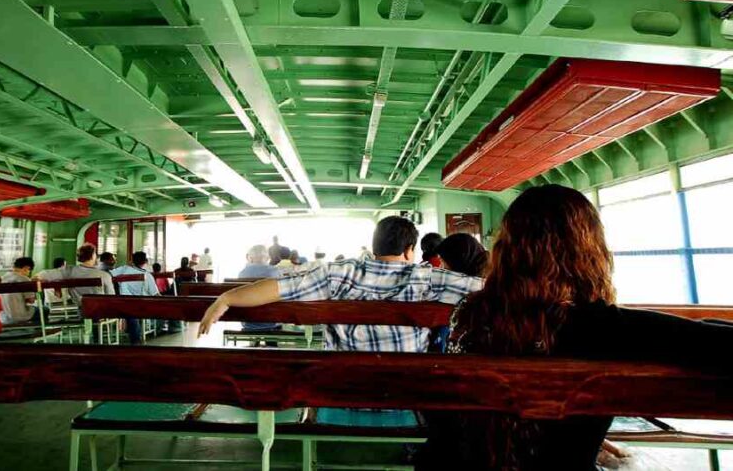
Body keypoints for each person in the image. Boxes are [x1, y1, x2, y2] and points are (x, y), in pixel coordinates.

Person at [416, 184, 733, 471]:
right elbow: (714, 342)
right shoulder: (607, 328)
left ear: (506, 250)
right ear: (590, 250)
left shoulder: (469, 314)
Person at [199, 216, 484, 353]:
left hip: (341, 385)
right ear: (410, 250)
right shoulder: (427, 277)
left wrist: (225, 299)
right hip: (405, 387)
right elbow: (485, 289)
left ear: (374, 247)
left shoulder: (339, 273)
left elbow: (279, 288)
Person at [427, 233, 488, 351]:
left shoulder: (446, 283)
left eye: (442, 262)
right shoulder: (487, 284)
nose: (440, 267)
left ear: (455, 263)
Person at [111, 251, 159, 345]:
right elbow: (155, 294)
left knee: (130, 311)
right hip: (141, 305)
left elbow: (110, 274)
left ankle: (134, 336)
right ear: (145, 261)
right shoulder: (147, 275)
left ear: (132, 260)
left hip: (122, 303)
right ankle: (151, 333)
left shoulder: (123, 269)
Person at [238, 245, 282, 333]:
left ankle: (254, 343)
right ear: (268, 258)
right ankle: (271, 344)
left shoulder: (242, 274)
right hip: (272, 322)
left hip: (248, 322)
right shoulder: (275, 271)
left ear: (250, 258)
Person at [0, 257, 46, 325]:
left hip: (3, 317)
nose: (28, 273)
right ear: (26, 268)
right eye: (29, 270)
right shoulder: (24, 279)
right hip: (20, 316)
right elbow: (31, 301)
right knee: (45, 310)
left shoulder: (2, 278)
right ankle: (36, 332)